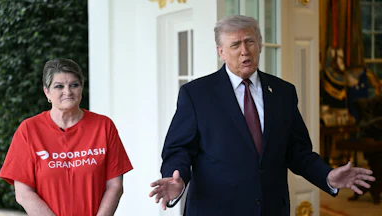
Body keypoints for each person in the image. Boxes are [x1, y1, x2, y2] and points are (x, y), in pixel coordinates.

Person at [149, 15, 375, 216]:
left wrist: (327, 175)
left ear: (260, 45)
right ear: (221, 52)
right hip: (215, 208)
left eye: (249, 42)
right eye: (235, 44)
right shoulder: (196, 94)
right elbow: (178, 149)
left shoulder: (284, 92)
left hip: (271, 208)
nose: (244, 51)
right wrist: (174, 179)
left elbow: (297, 151)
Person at [0, 58, 133, 216]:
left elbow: (115, 186)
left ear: (81, 88)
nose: (68, 92)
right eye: (59, 86)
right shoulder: (29, 130)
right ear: (46, 92)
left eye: (74, 85)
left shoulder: (103, 126)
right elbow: (23, 193)